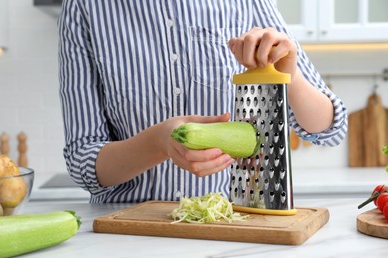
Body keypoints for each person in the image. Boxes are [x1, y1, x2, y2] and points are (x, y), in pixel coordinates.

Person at [57, 0, 347, 203]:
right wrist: (160, 142)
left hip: (226, 226)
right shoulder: (84, 6)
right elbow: (83, 160)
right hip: (126, 229)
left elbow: (330, 129)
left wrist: (289, 75)